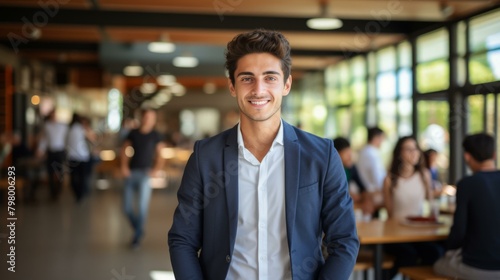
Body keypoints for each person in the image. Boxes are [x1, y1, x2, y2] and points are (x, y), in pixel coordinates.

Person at [168, 29, 359, 280]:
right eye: (247, 78)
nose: (258, 89)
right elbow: (182, 239)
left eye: (270, 78)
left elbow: (344, 240)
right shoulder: (206, 157)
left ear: (286, 84)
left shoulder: (321, 155)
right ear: (232, 86)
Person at [434, 133, 500, 279]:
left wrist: (447, 247)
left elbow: (459, 231)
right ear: (494, 155)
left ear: (467, 157)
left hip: (477, 267)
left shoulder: (467, 184)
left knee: (436, 263)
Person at [382, 136, 443, 279]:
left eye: (416, 148)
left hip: (418, 233)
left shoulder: (424, 175)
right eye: (409, 149)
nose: (414, 152)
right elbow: (390, 214)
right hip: (396, 236)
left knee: (435, 252)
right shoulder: (390, 179)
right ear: (399, 153)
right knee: (409, 255)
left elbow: (431, 204)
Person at [120, 108, 165, 248]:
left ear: (154, 120)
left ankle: (137, 237)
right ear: (142, 118)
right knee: (126, 207)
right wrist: (124, 167)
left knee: (142, 207)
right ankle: (138, 229)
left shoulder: (156, 135)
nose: (148, 120)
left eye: (151, 117)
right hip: (132, 172)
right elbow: (124, 150)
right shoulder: (133, 133)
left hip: (146, 174)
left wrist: (156, 170)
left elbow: (161, 154)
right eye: (146, 117)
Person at [36, 109, 69, 201]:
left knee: (60, 173)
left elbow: (67, 138)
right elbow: (44, 140)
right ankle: (52, 193)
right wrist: (40, 149)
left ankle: (58, 191)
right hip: (51, 152)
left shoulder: (62, 126)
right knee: (50, 173)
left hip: (60, 151)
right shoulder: (47, 126)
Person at [356, 126, 386, 216]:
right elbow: (378, 178)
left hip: (365, 192)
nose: (382, 142)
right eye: (382, 139)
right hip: (372, 194)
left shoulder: (363, 151)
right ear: (376, 138)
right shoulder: (372, 154)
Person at [66, 113, 96, 203]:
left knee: (73, 178)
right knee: (82, 178)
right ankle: (80, 195)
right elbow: (92, 139)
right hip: (82, 157)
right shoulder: (81, 129)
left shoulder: (69, 129)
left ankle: (78, 194)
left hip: (72, 157)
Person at [333, 136, 366, 203]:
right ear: (336, 154)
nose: (350, 157)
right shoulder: (331, 172)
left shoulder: (351, 168)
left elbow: (363, 188)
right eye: (346, 154)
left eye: (350, 152)